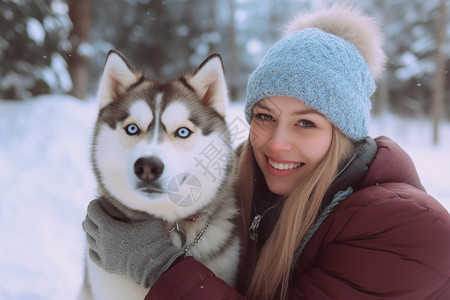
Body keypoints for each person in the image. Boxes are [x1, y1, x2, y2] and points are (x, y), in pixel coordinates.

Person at [83, 3, 450, 299]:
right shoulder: (250, 177)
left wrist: (155, 262)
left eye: (306, 123)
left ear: (344, 133)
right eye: (264, 116)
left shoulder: (411, 231)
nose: (276, 143)